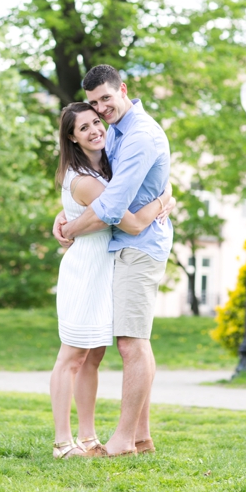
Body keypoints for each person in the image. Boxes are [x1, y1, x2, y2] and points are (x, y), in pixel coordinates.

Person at [54, 65, 174, 458]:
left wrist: (70, 229)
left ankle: (122, 441)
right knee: (125, 344)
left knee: (130, 342)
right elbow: (101, 193)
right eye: (92, 105)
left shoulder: (137, 135)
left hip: (136, 246)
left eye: (106, 99)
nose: (100, 111)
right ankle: (137, 437)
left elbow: (113, 206)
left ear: (123, 90)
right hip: (111, 251)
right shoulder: (117, 133)